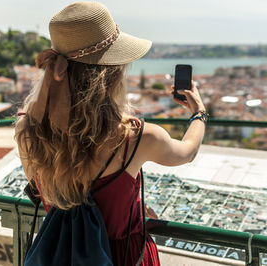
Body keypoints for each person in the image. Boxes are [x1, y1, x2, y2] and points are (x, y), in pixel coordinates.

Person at [14, 2, 206, 265]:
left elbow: (58, 190)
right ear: (112, 72)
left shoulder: (28, 130)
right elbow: (187, 152)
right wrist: (199, 112)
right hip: (124, 256)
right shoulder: (137, 138)